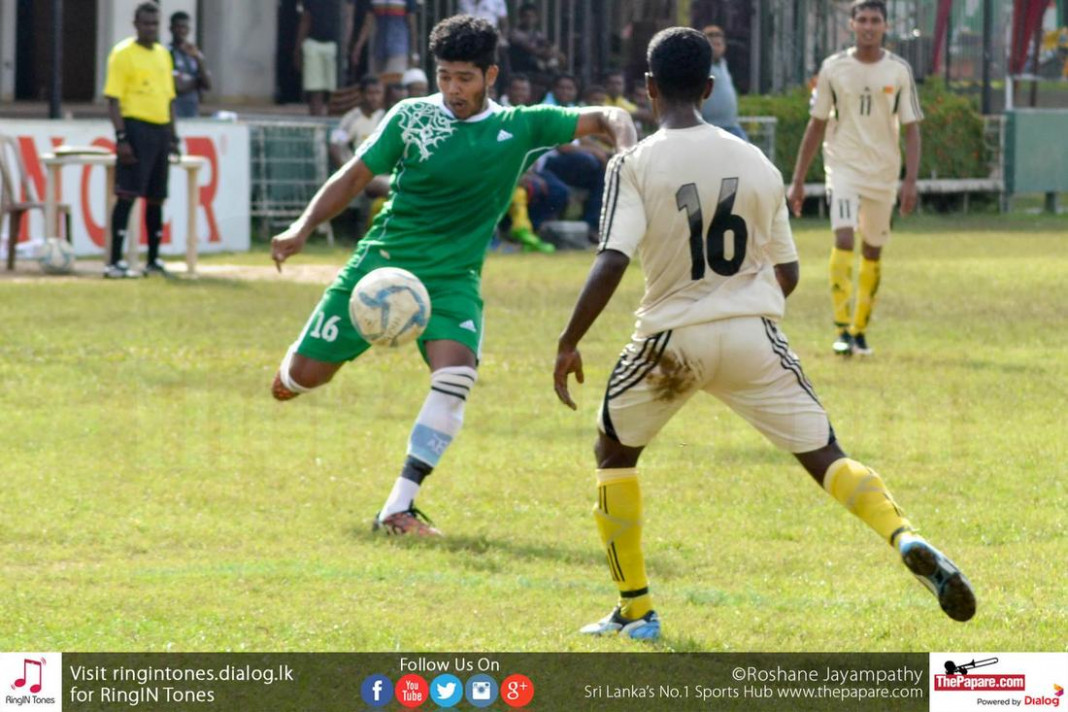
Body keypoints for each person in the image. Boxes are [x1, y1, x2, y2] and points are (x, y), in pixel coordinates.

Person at [552, 26, 973, 640]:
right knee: (825, 454)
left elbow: (612, 259)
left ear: (648, 90)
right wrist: (743, 309)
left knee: (613, 453)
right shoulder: (755, 161)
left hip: (670, 339)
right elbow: (789, 272)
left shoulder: (633, 163)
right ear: (709, 86)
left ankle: (636, 610)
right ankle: (903, 534)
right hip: (754, 334)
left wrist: (568, 342)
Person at [270, 15, 636, 536]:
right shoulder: (411, 117)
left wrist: (628, 155)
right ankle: (296, 369)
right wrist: (302, 227)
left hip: (452, 280)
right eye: (443, 76)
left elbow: (605, 117)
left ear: (490, 75)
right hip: (379, 268)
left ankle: (397, 508)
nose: (452, 89)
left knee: (455, 377)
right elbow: (354, 175)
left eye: (464, 77)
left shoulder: (520, 126)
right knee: (297, 384)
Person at [787, 0, 922, 357]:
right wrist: (798, 179)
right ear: (851, 25)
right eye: (861, 19)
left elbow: (911, 128)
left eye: (875, 20)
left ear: (885, 26)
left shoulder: (898, 70)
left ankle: (861, 330)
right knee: (844, 237)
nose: (868, 26)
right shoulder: (834, 68)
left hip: (883, 171)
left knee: (873, 248)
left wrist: (911, 180)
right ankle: (842, 328)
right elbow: (816, 124)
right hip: (843, 166)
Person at [103, 1, 178, 279]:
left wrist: (173, 136)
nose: (150, 28)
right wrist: (121, 137)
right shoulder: (123, 54)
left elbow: (170, 99)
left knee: (157, 198)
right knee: (127, 195)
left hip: (160, 131)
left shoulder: (162, 54)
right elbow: (113, 99)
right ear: (135, 24)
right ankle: (114, 261)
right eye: (145, 23)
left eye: (155, 24)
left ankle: (153, 259)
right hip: (135, 129)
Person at [295, 0, 355, 116]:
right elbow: (305, 19)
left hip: (334, 44)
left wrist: (345, 45)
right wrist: (298, 48)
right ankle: (316, 121)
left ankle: (332, 124)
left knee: (335, 90)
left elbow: (348, 18)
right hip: (313, 42)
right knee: (315, 88)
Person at [352, 0, 420, 86]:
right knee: (376, 83)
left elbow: (412, 25)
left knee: (394, 84)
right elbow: (368, 23)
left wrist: (414, 51)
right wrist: (358, 46)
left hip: (398, 48)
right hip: (377, 48)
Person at [700, 25, 747, 141]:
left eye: (719, 44)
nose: (716, 48)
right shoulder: (700, 66)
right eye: (712, 45)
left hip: (732, 126)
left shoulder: (723, 64)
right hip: (711, 128)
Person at [329, 75, 386, 166]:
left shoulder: (383, 117)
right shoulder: (351, 118)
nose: (374, 98)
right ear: (361, 95)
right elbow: (334, 146)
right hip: (358, 171)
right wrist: (347, 173)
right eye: (370, 93)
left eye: (378, 93)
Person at [168, 11, 211, 118]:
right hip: (174, 111)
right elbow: (178, 86)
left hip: (192, 111)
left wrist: (197, 58)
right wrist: (198, 82)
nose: (181, 31)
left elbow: (208, 85)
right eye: (178, 27)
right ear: (171, 29)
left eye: (184, 27)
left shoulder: (194, 52)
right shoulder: (166, 52)